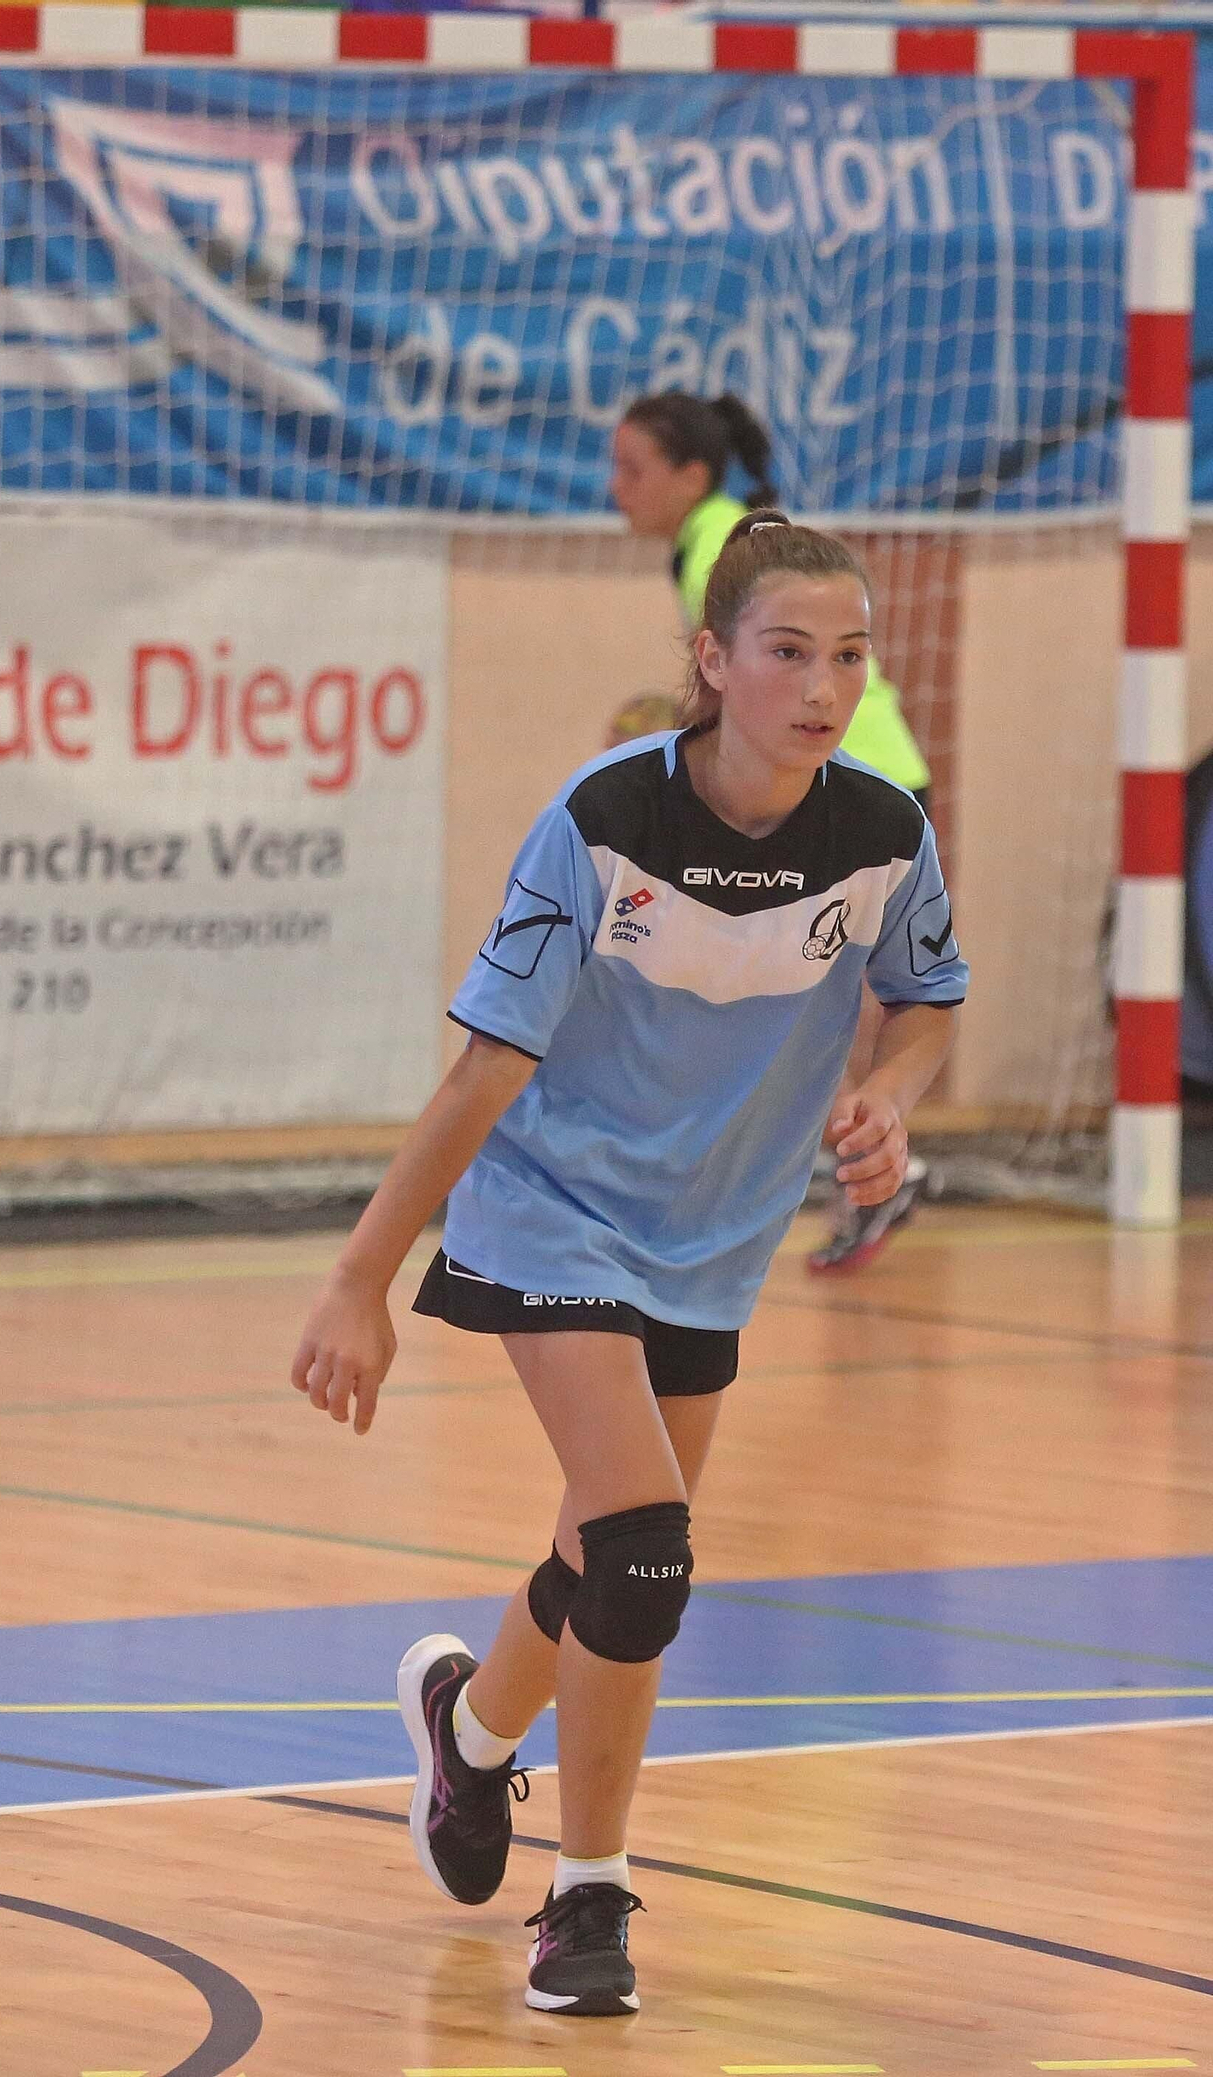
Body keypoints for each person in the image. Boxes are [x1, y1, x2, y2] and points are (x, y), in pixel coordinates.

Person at [291, 514, 967, 2019]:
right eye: (788, 651)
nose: (821, 685)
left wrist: (888, 1105)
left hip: (715, 1238)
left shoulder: (882, 835)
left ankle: (470, 1740)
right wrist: (361, 1277)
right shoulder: (603, 820)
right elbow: (481, 1074)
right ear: (713, 659)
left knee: (608, 1557)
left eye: (848, 656)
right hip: (554, 1211)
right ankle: (585, 1900)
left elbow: (925, 1008)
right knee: (650, 1546)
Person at [608, 391, 935, 1274]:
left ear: (692, 474)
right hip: (841, 777)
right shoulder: (707, 540)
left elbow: (726, 701)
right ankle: (865, 1171)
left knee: (848, 1007)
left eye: (632, 468)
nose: (615, 489)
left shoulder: (722, 544)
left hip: (851, 786)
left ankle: (873, 1168)